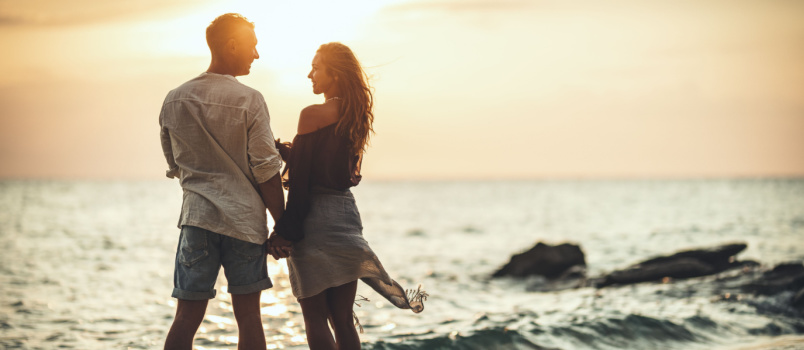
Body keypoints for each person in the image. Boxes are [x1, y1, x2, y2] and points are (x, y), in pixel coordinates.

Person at [267, 42, 427, 350]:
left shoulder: (312, 114)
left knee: (314, 317)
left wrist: (283, 232)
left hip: (314, 218)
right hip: (345, 215)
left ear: (335, 74)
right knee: (341, 319)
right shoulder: (356, 116)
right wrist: (289, 150)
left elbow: (301, 186)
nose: (309, 74)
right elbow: (329, 168)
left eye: (316, 67)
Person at [159, 13, 289, 350]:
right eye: (252, 46)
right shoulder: (250, 99)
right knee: (249, 318)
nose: (256, 55)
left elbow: (174, 164)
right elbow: (266, 170)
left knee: (185, 319)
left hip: (198, 221)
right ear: (231, 45)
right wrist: (283, 227)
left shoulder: (175, 98)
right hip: (244, 224)